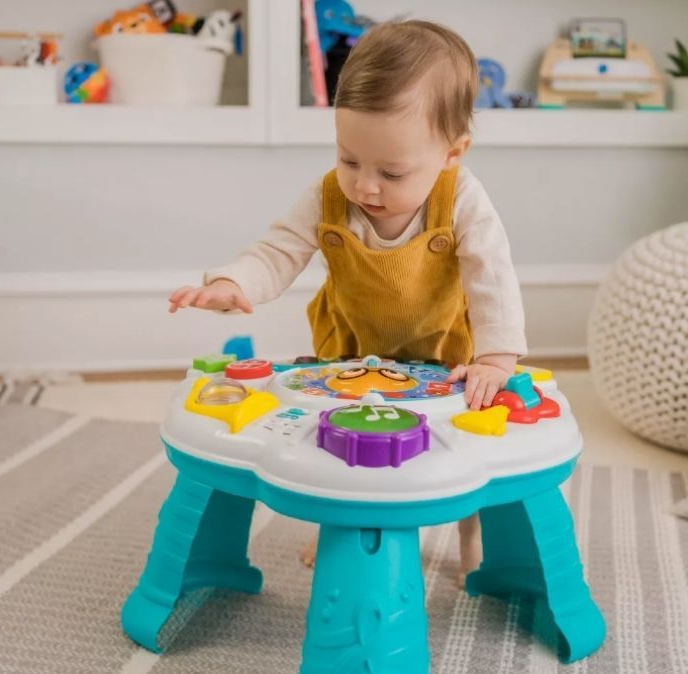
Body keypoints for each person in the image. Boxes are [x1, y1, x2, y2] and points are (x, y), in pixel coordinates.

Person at [168, 20, 527, 586]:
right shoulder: (328, 194)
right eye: (349, 158)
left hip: (443, 347)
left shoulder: (464, 200)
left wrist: (497, 356)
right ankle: (335, 518)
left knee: (463, 444)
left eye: (392, 172)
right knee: (338, 441)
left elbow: (492, 274)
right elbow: (279, 249)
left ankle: (470, 534)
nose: (366, 186)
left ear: (452, 153)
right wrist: (234, 284)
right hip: (352, 349)